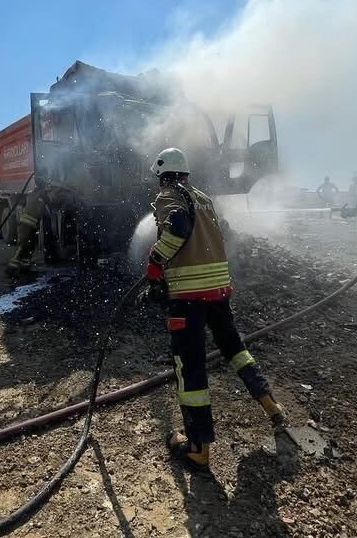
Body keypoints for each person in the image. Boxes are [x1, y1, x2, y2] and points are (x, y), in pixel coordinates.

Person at [146, 147, 285, 471]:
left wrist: (155, 264)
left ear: (164, 176)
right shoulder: (203, 198)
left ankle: (198, 448)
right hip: (218, 292)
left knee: (189, 366)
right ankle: (271, 406)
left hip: (189, 299)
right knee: (236, 350)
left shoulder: (170, 196)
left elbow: (178, 228)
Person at [5, 172, 77, 277]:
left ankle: (25, 267)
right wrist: (64, 190)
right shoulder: (40, 195)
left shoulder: (34, 193)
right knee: (22, 247)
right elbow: (52, 200)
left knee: (30, 247)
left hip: (31, 226)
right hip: (26, 226)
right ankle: (11, 269)